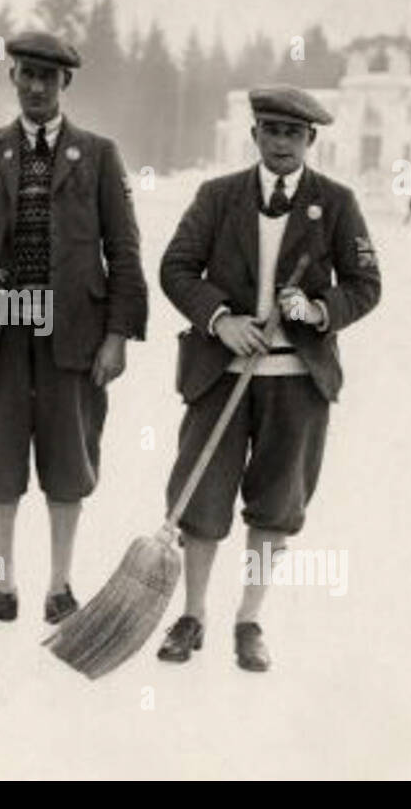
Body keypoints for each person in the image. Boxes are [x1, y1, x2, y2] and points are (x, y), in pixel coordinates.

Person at [156, 85, 380, 669]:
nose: (282, 142)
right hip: (221, 377)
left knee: (276, 505)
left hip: (296, 384)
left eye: (294, 133)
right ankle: (193, 614)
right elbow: (176, 268)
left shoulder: (335, 203)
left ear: (311, 140)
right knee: (201, 501)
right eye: (271, 130)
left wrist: (318, 309)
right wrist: (220, 319)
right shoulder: (217, 196)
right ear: (254, 135)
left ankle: (249, 619)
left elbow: (365, 285)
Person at [0, 30, 148, 630]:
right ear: (12, 77)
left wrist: (117, 336)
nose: (36, 86)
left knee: (68, 461)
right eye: (27, 73)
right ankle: (1, 586)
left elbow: (125, 253)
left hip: (74, 335)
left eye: (48, 78)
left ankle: (59, 588)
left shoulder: (100, 155)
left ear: (66, 85)